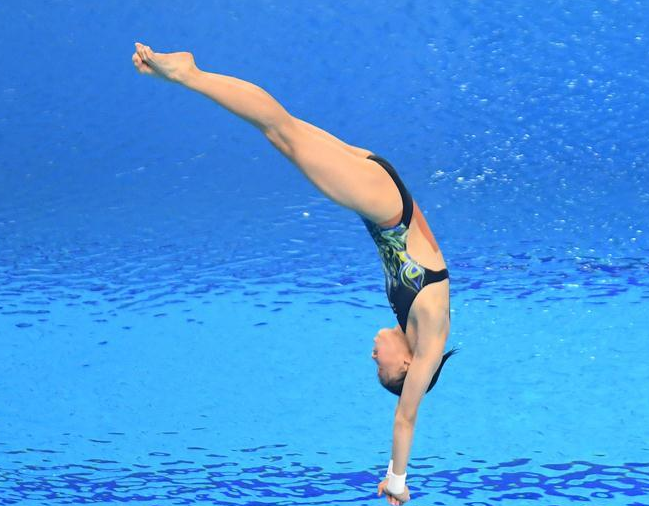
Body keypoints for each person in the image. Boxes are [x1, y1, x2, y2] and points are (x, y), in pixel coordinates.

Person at [132, 43, 458, 506]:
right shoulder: (428, 343)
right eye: (382, 370)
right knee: (278, 127)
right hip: (384, 205)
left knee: (278, 133)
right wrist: (398, 481)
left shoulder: (414, 325)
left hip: (381, 193)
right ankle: (188, 74)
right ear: (406, 368)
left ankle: (192, 76)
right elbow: (406, 419)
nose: (373, 358)